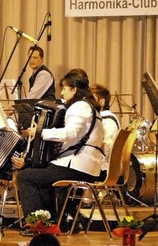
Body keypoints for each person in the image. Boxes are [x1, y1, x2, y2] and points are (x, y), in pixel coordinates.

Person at [16, 69, 103, 231]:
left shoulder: (78, 106)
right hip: (88, 166)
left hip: (78, 166)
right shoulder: (92, 108)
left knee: (25, 176)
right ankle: (55, 222)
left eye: (64, 88)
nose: (61, 92)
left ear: (74, 89)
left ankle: (37, 225)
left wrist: (40, 132)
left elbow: (70, 133)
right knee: (42, 175)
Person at [91, 84, 120, 181]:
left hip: (103, 168)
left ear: (102, 102)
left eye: (92, 98)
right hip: (96, 165)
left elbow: (108, 149)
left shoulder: (108, 120)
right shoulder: (96, 117)